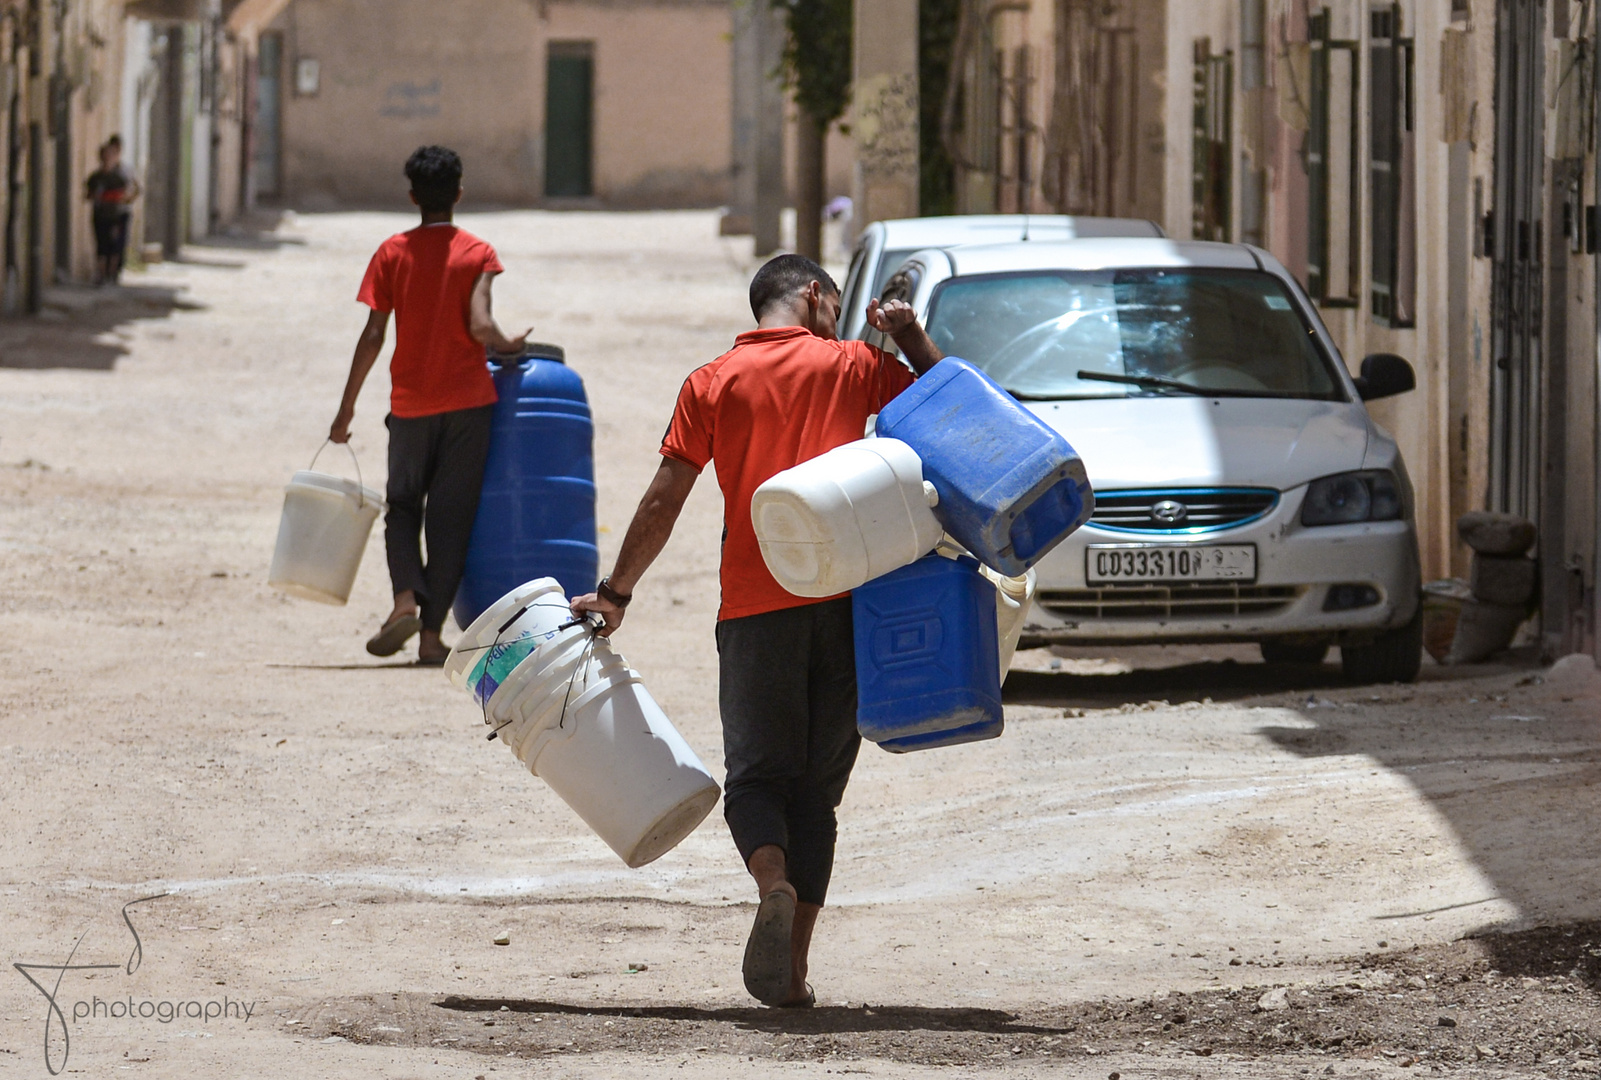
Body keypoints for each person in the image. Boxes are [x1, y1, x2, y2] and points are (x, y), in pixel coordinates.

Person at [571, 254, 943, 1006]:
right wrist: (909, 338)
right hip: (846, 604)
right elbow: (948, 408)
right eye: (832, 305)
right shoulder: (852, 365)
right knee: (817, 796)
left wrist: (616, 592)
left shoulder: (711, 381)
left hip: (753, 608)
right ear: (811, 296)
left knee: (756, 779)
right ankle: (794, 970)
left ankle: (769, 882)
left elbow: (664, 497)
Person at [328, 145, 530, 665]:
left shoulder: (392, 252)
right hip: (469, 406)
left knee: (402, 507)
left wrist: (346, 409)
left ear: (412, 196)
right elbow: (481, 326)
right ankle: (431, 638)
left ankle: (402, 601)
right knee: (450, 519)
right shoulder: (478, 252)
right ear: (459, 193)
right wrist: (509, 343)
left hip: (411, 406)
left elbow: (374, 334)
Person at [85, 136, 139, 285]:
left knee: (115, 245)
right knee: (101, 245)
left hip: (117, 214)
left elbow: (131, 191)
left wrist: (122, 198)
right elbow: (88, 194)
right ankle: (102, 274)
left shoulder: (121, 174)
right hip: (100, 214)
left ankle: (113, 273)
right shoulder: (96, 177)